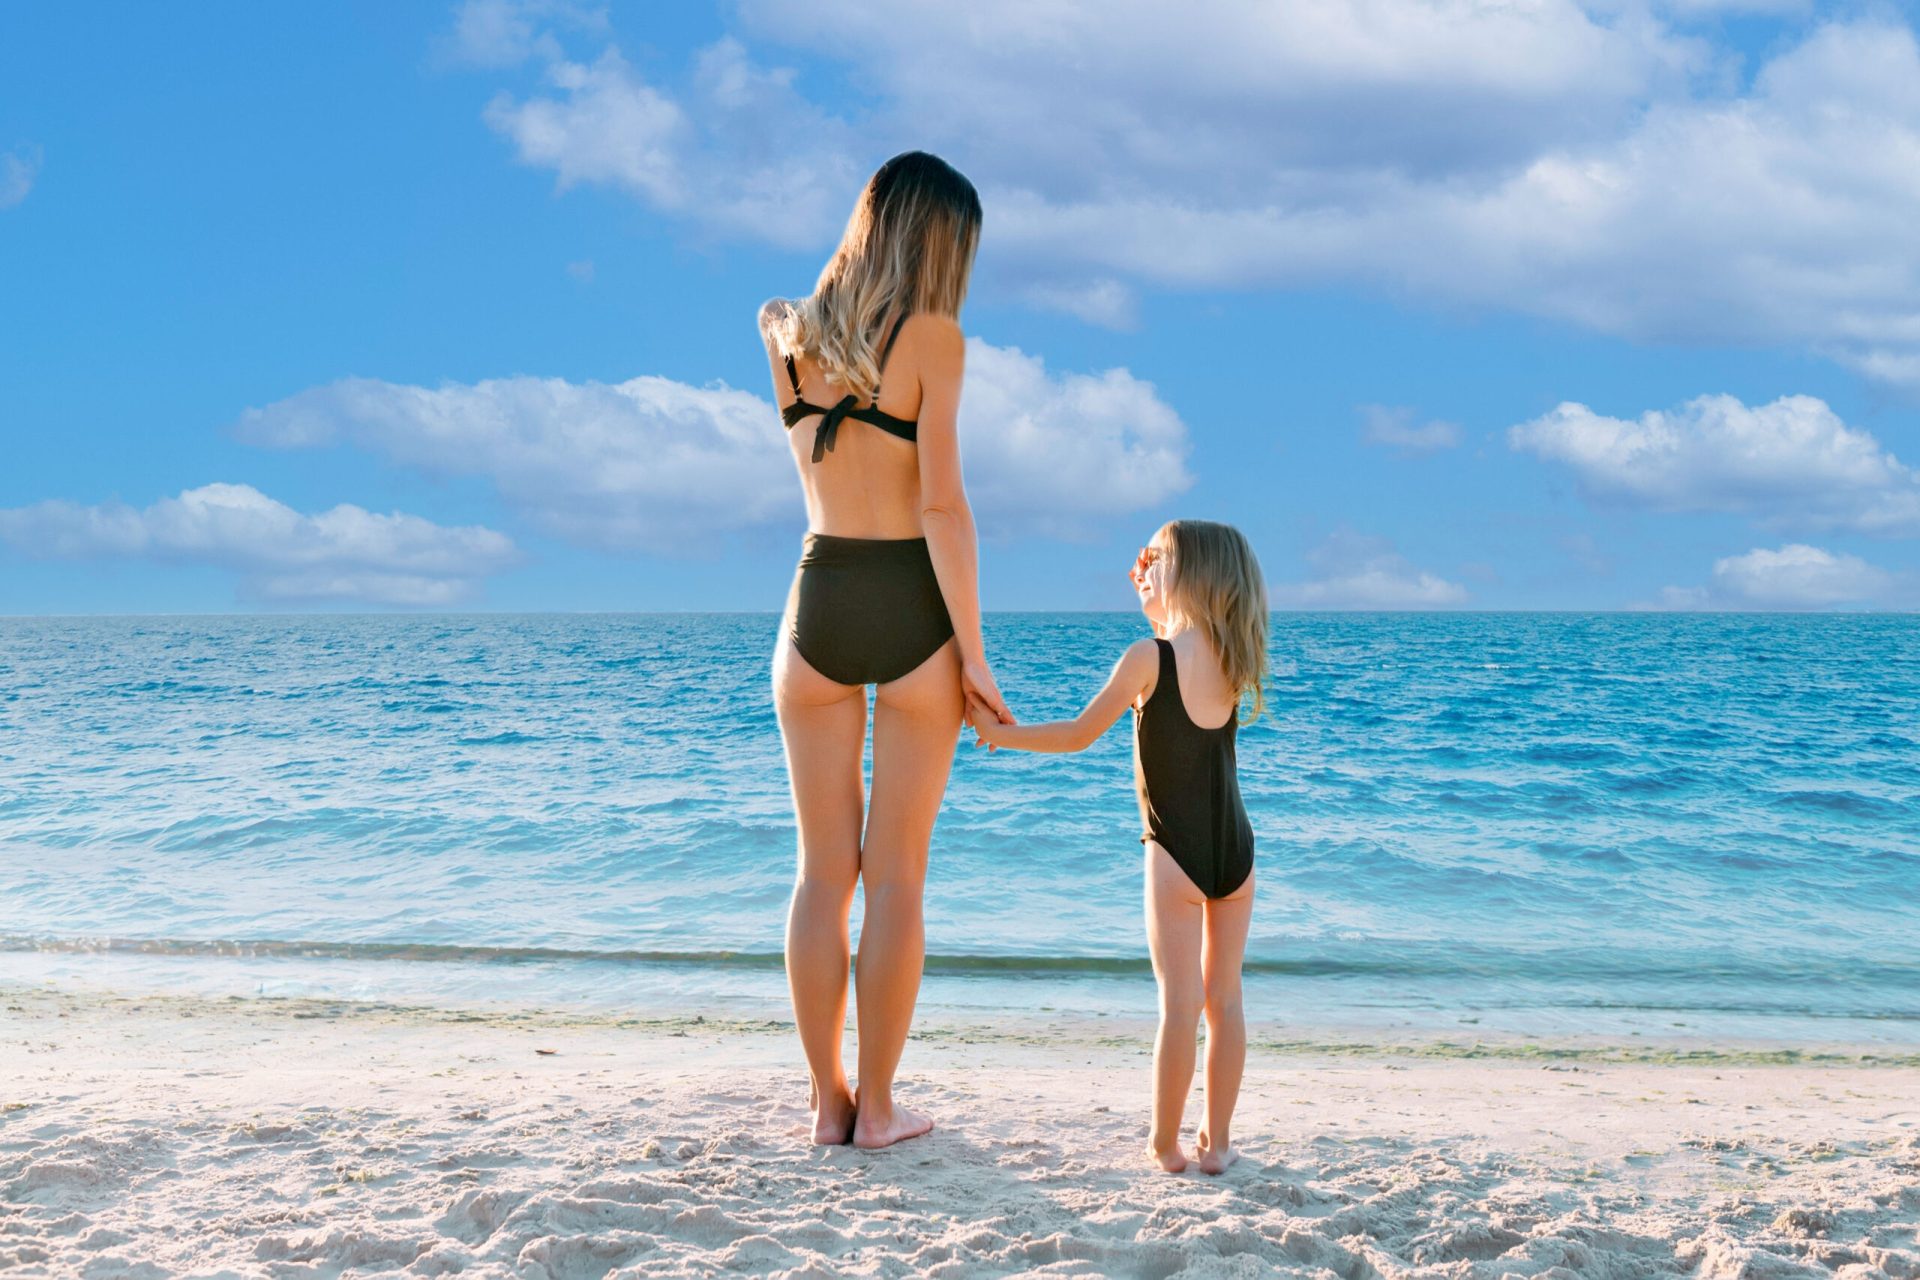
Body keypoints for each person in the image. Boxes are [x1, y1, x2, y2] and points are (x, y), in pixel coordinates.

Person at [759, 151, 1012, 1149]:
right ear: (938, 240)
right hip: (910, 605)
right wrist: (976, 656)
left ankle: (825, 1101)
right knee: (896, 874)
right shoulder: (937, 338)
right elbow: (943, 505)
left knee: (824, 871)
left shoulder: (779, 332)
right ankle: (879, 1107)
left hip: (816, 600)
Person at [972, 520, 1268, 1174]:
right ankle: (1217, 1145)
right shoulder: (1232, 656)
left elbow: (1080, 733)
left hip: (1175, 854)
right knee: (1225, 1001)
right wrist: (1160, 586)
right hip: (1237, 853)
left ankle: (1165, 1145)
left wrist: (1001, 732)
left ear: (1188, 577)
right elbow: (1181, 631)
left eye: (1153, 562)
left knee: (1179, 1006)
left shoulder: (1146, 658)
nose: (1141, 572)